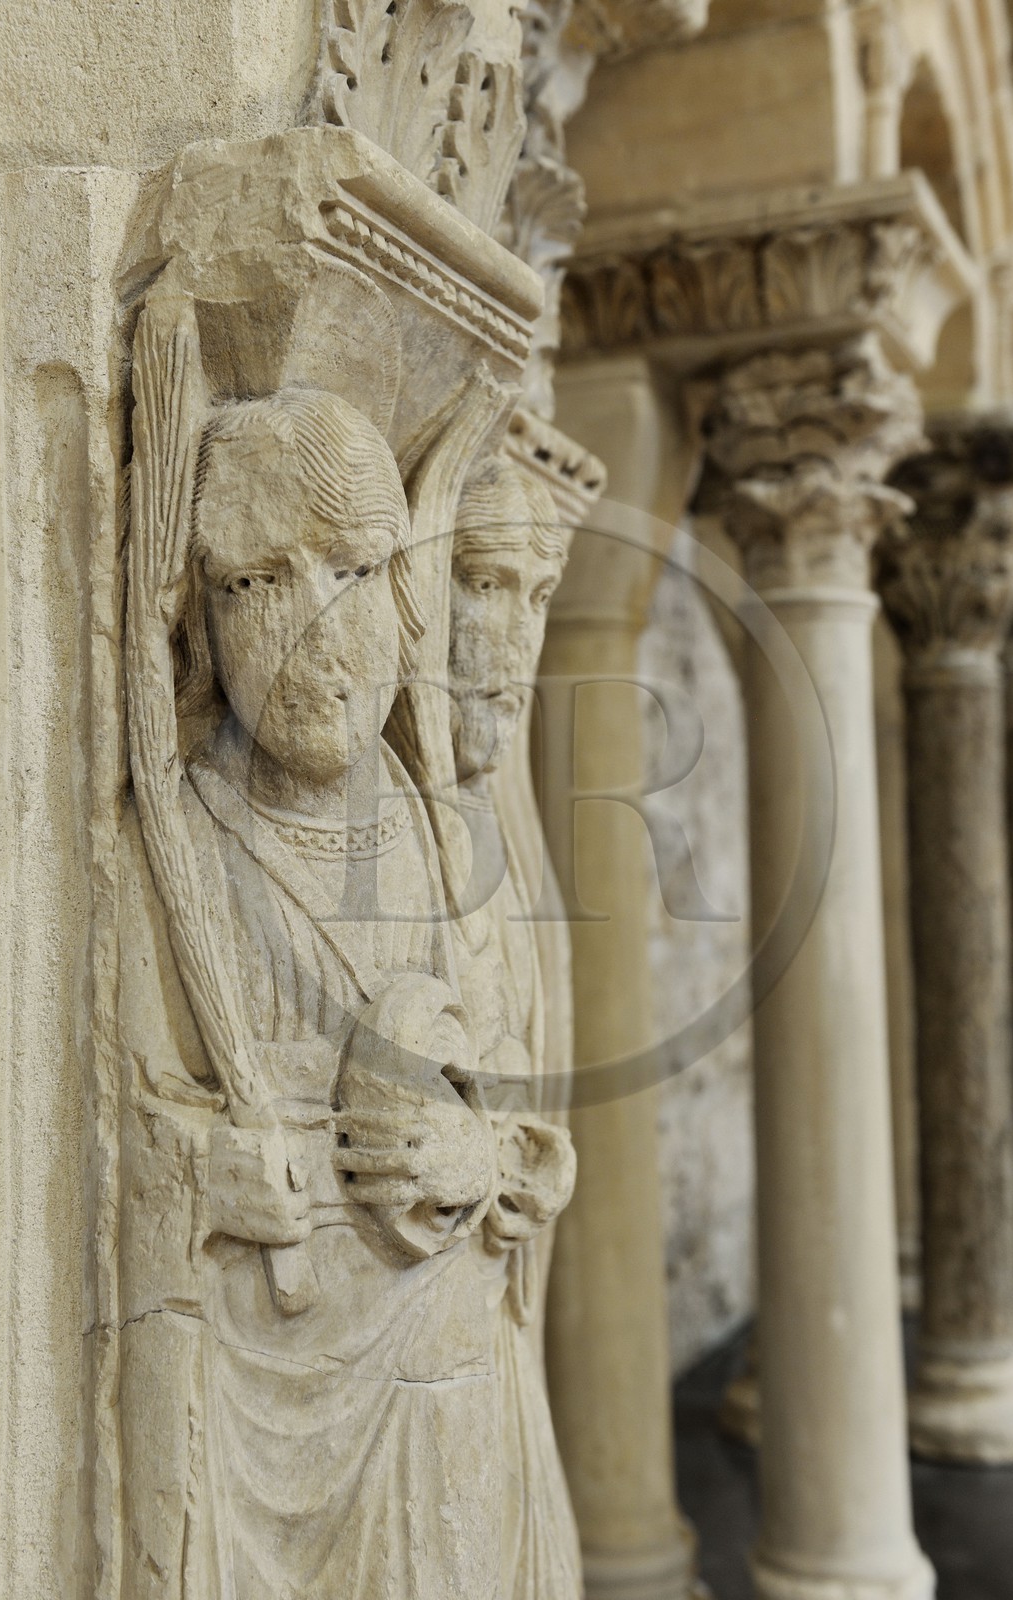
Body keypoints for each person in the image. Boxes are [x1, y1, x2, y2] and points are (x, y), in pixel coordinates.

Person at [119, 387, 502, 1600]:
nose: (312, 633)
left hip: (434, 1366)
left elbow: (506, 1095)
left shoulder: (444, 842)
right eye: (254, 585)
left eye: (349, 568)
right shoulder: (160, 849)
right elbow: (87, 1113)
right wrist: (203, 1170)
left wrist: (469, 1152)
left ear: (401, 591)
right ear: (198, 621)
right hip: (250, 1391)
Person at [448, 456, 582, 1600]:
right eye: (484, 582)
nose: (512, 636)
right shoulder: (373, 839)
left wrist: (529, 1161)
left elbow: (528, 1091)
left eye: (536, 597)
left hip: (486, 1329)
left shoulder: (506, 846)